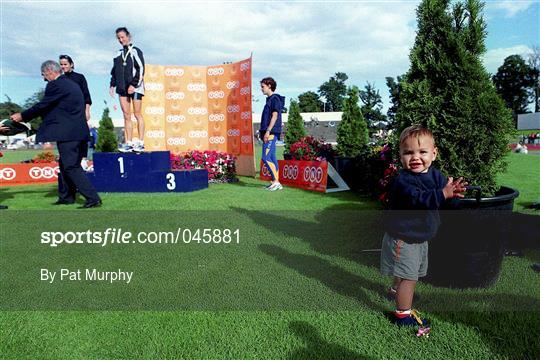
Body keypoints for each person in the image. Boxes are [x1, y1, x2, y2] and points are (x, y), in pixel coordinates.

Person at [380, 125, 466, 327]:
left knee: (409, 271)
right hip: (403, 238)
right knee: (409, 278)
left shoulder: (436, 176)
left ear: (434, 153)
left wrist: (453, 195)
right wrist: (443, 194)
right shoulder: (403, 180)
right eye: (408, 152)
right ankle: (402, 315)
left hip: (420, 236)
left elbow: (444, 199)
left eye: (422, 152)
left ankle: (395, 292)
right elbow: (419, 199)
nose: (415, 157)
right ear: (400, 156)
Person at [10, 60, 101, 208]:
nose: (44, 78)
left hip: (68, 134)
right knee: (65, 164)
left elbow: (43, 105)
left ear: (50, 72)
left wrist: (22, 116)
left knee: (71, 166)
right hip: (78, 132)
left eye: (44, 75)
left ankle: (93, 198)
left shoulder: (56, 85)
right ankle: (66, 197)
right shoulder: (71, 84)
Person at [109, 27, 145, 153]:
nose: (121, 40)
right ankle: (128, 142)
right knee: (126, 115)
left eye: (122, 37)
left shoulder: (135, 51)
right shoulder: (118, 53)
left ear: (128, 36)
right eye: (118, 38)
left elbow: (141, 68)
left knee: (137, 113)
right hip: (122, 88)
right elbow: (115, 71)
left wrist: (134, 85)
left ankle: (140, 142)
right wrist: (112, 85)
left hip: (135, 87)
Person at [260, 77, 285, 191]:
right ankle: (276, 182)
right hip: (270, 132)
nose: (261, 89)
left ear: (269, 85)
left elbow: (275, 116)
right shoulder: (269, 99)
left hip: (271, 132)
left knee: (265, 158)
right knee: (272, 157)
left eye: (263, 86)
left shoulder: (274, 99)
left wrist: (268, 131)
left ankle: (276, 181)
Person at [59, 55, 92, 122]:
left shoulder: (80, 77)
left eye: (65, 64)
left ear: (71, 64)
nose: (63, 66)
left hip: (79, 110)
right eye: (61, 64)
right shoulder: (60, 79)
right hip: (64, 112)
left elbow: (86, 95)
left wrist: (87, 111)